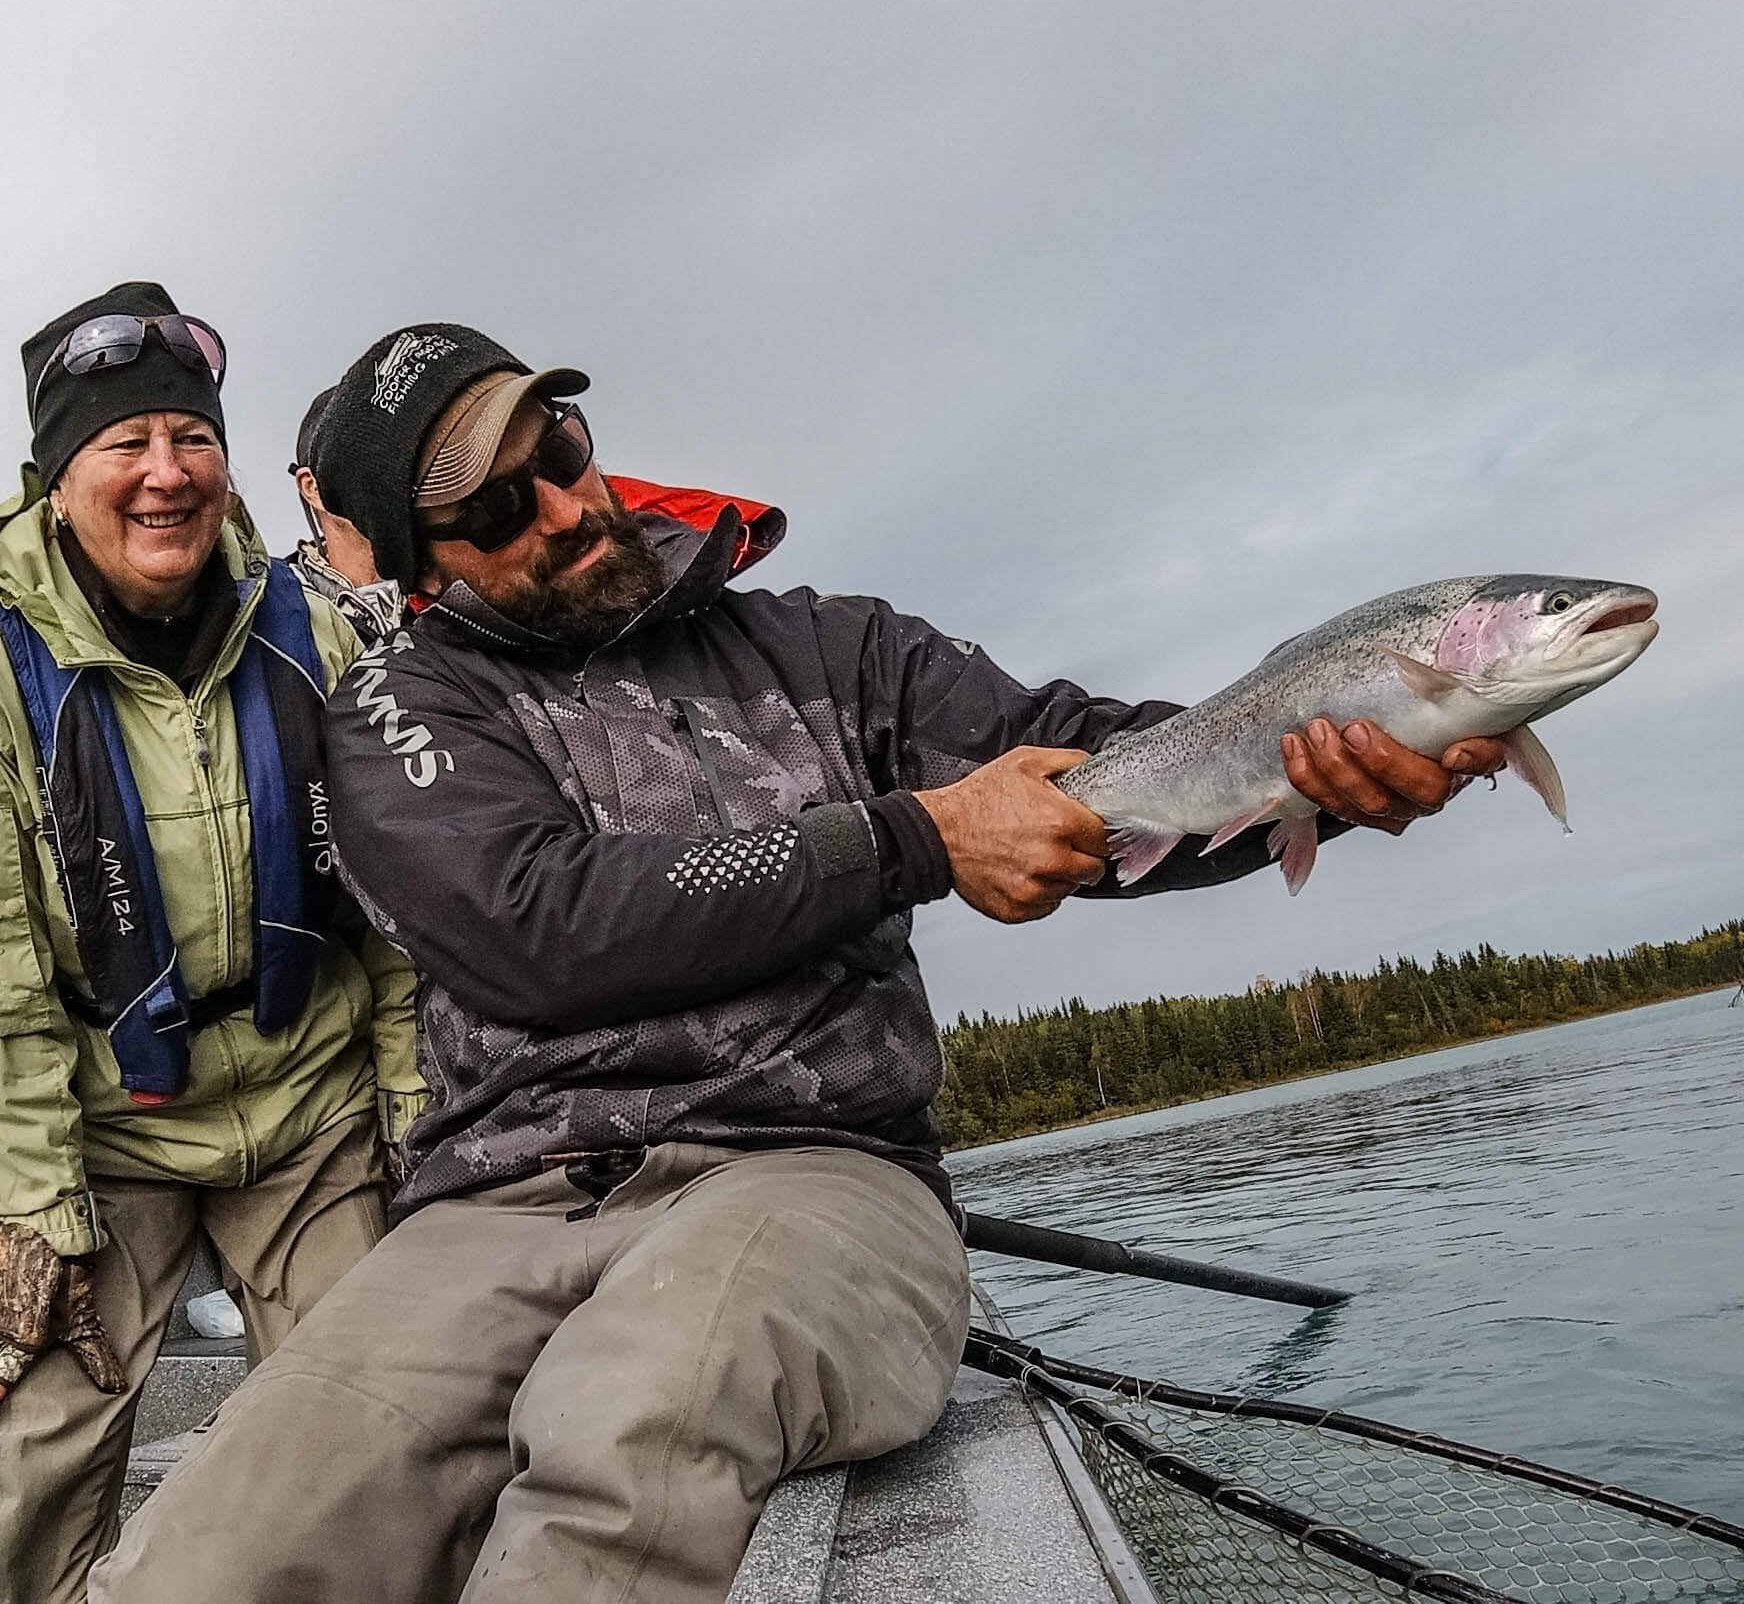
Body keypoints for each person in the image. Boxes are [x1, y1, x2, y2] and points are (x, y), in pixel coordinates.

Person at [93, 323, 1505, 1604]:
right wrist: (914, 838)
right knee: (217, 1541)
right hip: (494, 1210)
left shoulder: (832, 647)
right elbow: (540, 929)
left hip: (822, 1173)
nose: (573, 509)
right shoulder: (397, 709)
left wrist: (1327, 751)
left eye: (563, 452)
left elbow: (1103, 764)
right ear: (423, 565)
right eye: (505, 509)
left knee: (630, 1409)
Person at [0, 282, 427, 1604]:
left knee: (385, 1438)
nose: (165, 475)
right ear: (54, 474)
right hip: (101, 1116)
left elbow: (406, 910)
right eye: (124, 445)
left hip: (310, 1101)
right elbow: (4, 975)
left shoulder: (329, 628)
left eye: (191, 439)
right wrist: (32, 1205)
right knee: (27, 1462)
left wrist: (418, 1106)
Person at [284, 384, 406, 645]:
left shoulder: (454, 583)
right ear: (312, 487)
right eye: (363, 454)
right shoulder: (276, 606)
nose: (390, 470)